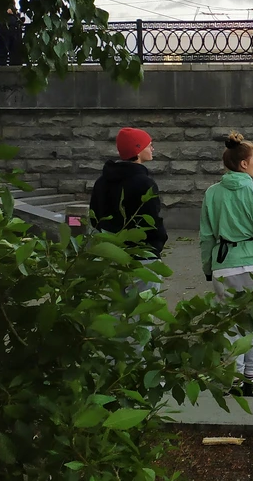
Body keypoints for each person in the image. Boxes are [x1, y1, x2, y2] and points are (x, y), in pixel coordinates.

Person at [200, 131, 253, 396]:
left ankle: (231, 382)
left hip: (224, 266)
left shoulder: (212, 194)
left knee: (231, 327)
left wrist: (208, 268)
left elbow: (206, 237)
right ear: (244, 164)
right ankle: (250, 381)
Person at [89, 127, 168, 356]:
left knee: (114, 311)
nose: (152, 148)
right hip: (142, 257)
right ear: (137, 150)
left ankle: (112, 363)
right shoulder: (144, 183)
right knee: (141, 315)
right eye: (148, 144)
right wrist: (156, 246)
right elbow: (152, 220)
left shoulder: (102, 181)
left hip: (111, 256)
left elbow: (95, 216)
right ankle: (135, 366)